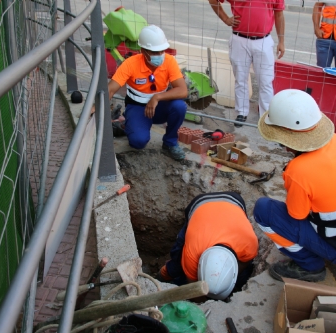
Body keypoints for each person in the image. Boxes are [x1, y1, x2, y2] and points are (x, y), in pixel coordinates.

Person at [253, 89, 336, 284]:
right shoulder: (335, 141)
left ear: (285, 138)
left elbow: (297, 215)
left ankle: (310, 265)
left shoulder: (298, 170)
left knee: (263, 211)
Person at [156, 192, 259, 300]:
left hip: (234, 201)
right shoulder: (192, 254)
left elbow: (243, 265)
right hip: (200, 204)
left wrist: (224, 282)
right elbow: (194, 290)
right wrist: (202, 302)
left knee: (244, 275)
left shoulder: (250, 246)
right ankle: (161, 277)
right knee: (178, 262)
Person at [108, 25, 188, 160]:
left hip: (159, 106)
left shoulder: (169, 61)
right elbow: (110, 89)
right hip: (137, 107)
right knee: (138, 142)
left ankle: (170, 143)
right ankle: (128, 124)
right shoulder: (130, 64)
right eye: (154, 52)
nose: (159, 55)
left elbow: (182, 90)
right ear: (143, 51)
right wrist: (94, 108)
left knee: (179, 106)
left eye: (161, 51)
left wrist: (157, 97)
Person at [208, 0, 285, 127]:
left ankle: (266, 117)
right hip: (240, 39)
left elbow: (279, 14)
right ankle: (241, 112)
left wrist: (281, 41)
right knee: (240, 78)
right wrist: (226, 19)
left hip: (263, 41)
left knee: (265, 81)